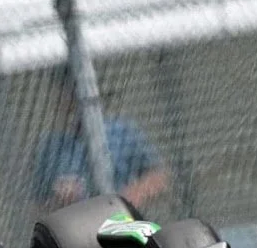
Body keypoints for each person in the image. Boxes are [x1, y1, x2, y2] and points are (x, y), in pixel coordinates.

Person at [32, 83, 170, 213]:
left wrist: (125, 200)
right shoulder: (52, 147)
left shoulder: (120, 132)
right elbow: (37, 207)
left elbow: (159, 176)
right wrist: (60, 201)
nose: (75, 105)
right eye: (67, 97)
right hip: (79, 224)